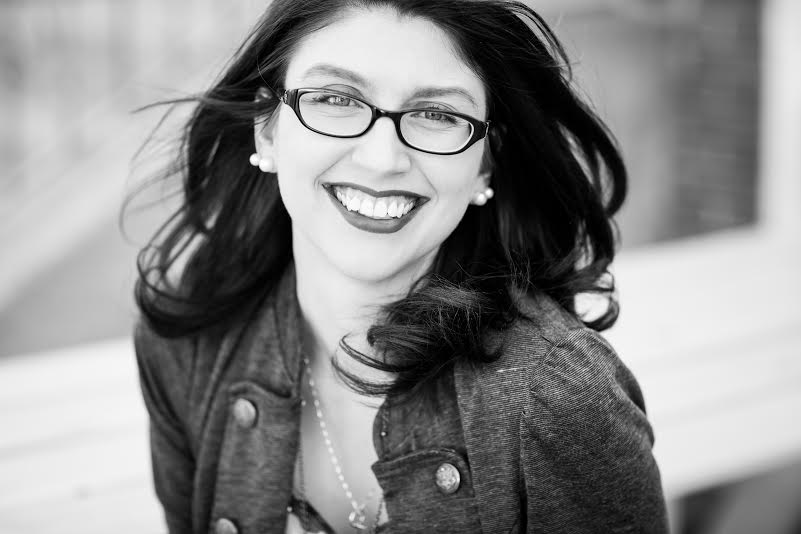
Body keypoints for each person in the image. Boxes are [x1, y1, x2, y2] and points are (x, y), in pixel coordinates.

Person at [132, 0, 669, 532]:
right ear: (266, 128)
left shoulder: (560, 399)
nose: (382, 159)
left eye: (438, 115)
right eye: (337, 98)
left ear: (486, 161)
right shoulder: (189, 343)